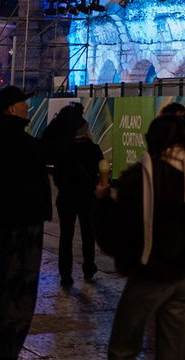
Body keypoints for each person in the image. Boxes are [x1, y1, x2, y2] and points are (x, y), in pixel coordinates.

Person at [101, 113, 185, 360]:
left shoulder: (140, 178)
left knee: (123, 346)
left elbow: (116, 233)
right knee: (173, 349)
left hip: (151, 274)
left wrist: (102, 202)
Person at [0, 86, 52, 360]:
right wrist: (64, 125)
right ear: (12, 109)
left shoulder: (2, 134)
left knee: (11, 289)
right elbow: (46, 152)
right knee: (17, 292)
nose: (28, 106)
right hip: (21, 223)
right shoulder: (11, 137)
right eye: (23, 102)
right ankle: (4, 352)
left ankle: (1, 350)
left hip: (14, 219)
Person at [54, 123, 103, 287]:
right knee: (88, 233)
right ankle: (88, 267)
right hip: (87, 197)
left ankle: (65, 274)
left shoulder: (63, 149)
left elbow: (56, 175)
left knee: (66, 236)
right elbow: (102, 170)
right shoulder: (94, 149)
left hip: (66, 197)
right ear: (87, 131)